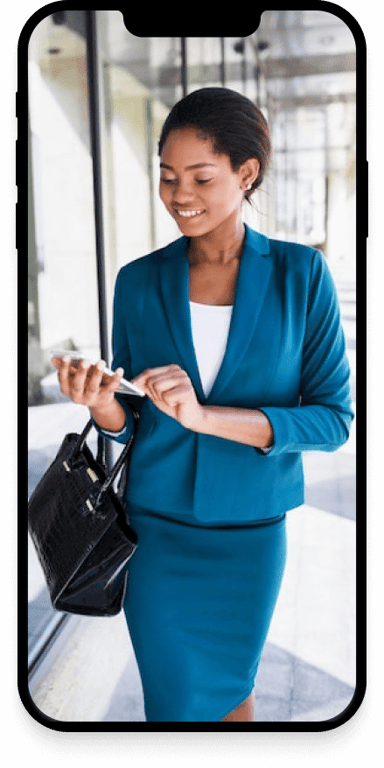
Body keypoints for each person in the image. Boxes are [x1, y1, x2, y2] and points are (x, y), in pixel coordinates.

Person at [52, 87, 354, 722]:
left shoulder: (303, 277)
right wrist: (101, 403)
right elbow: (127, 422)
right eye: (166, 176)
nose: (178, 194)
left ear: (246, 175)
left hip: (250, 537)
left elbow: (333, 420)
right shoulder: (137, 281)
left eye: (200, 177)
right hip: (158, 533)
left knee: (231, 692)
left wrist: (206, 417)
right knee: (179, 700)